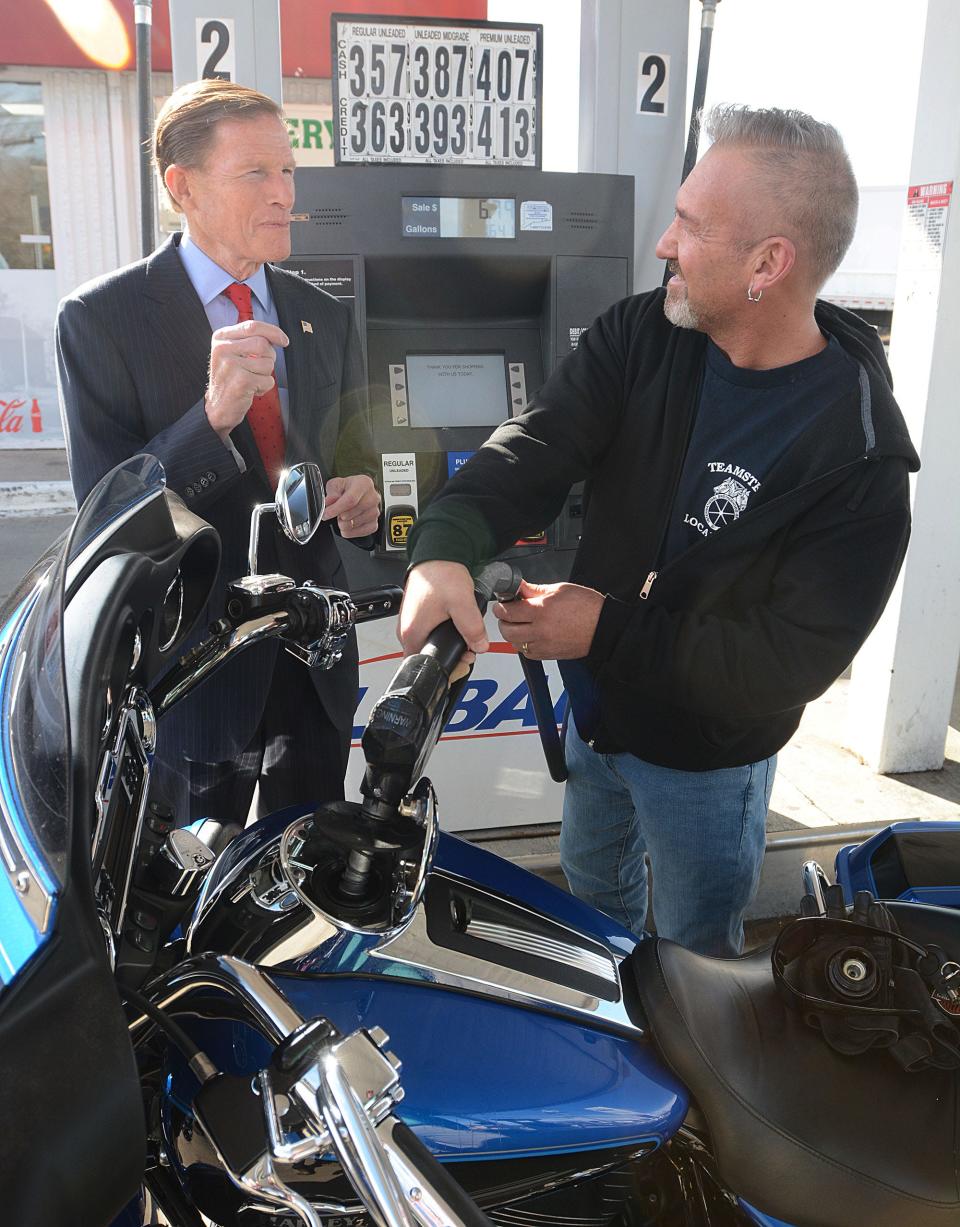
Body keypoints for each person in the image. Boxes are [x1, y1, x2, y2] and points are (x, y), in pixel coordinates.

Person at [398, 105, 920, 958]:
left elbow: (781, 666)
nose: (663, 245)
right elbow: (538, 442)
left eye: (690, 225)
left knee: (695, 957)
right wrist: (446, 541)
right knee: (594, 906)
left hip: (709, 764)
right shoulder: (645, 333)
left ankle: (686, 1083)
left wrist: (600, 626)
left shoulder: (859, 461)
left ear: (767, 263)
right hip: (599, 719)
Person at [57, 79, 380, 822]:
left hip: (313, 667)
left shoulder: (322, 316)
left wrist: (366, 496)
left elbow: (363, 462)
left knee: (306, 904)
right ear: (183, 187)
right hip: (191, 681)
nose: (283, 193)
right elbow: (107, 520)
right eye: (256, 173)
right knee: (185, 914)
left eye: (289, 171)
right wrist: (211, 418)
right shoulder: (99, 320)